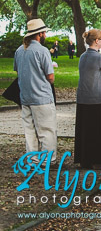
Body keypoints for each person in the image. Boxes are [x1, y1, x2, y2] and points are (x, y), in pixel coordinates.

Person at [15, 19, 57, 163]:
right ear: (39, 34)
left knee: (30, 131)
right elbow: (50, 77)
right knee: (47, 131)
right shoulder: (42, 50)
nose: (45, 34)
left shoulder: (19, 50)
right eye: (44, 32)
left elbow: (18, 72)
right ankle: (48, 161)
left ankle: (32, 160)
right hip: (42, 97)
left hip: (25, 96)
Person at [75, 29, 101, 168]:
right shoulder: (100, 58)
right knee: (99, 129)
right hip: (97, 97)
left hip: (83, 97)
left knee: (85, 129)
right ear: (97, 41)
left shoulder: (82, 57)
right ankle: (99, 158)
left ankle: (85, 158)